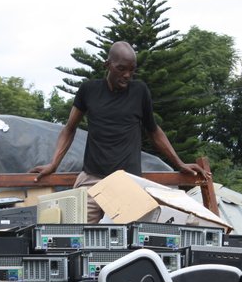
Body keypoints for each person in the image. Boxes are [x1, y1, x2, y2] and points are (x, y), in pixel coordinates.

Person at [29, 41, 211, 222]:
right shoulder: (89, 90)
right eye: (121, 68)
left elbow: (154, 131)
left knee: (123, 241)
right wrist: (53, 164)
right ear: (107, 65)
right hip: (93, 179)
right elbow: (69, 129)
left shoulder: (139, 91)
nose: (127, 75)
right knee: (78, 236)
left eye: (132, 70)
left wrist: (179, 164)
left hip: (128, 183)